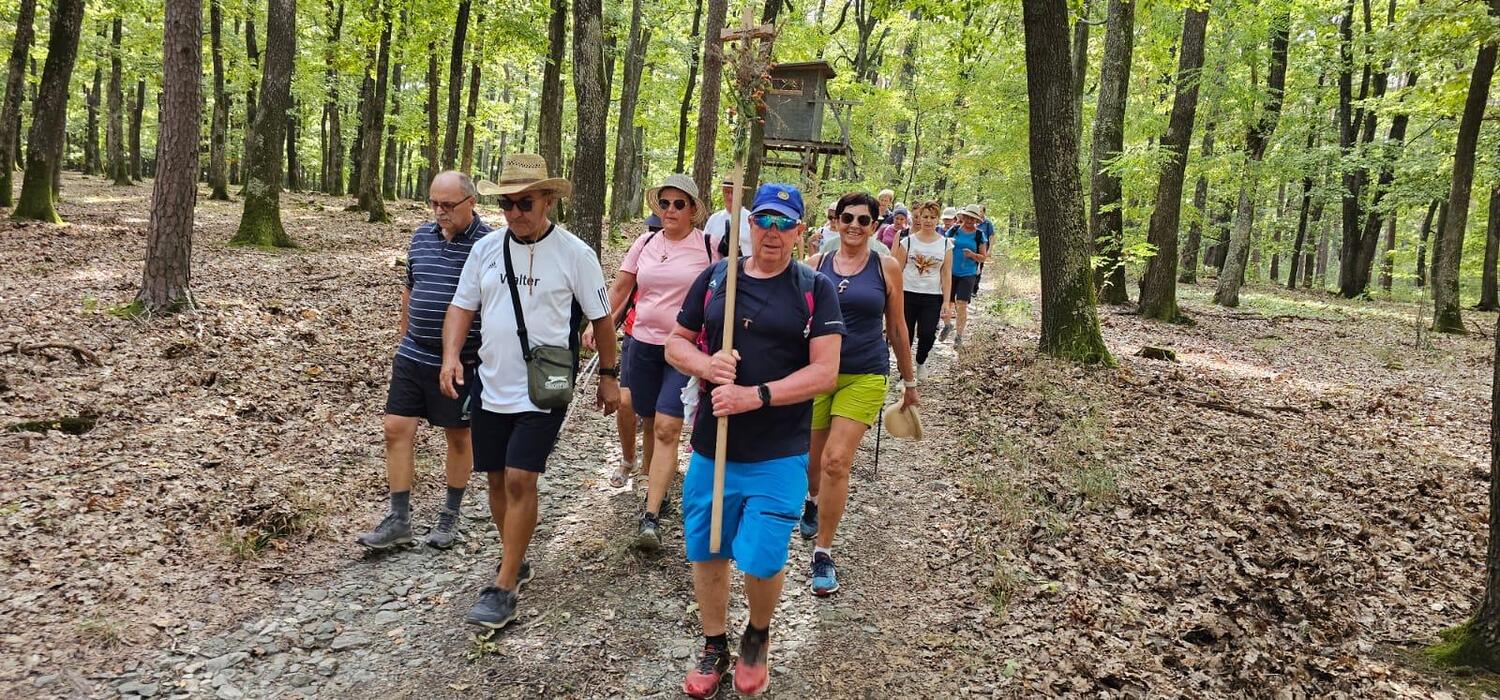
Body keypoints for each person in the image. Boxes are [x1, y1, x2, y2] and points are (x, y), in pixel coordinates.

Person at [666, 183, 844, 698]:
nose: (772, 231)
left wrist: (757, 395)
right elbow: (676, 343)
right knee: (709, 550)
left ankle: (757, 635)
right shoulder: (717, 277)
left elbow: (825, 372)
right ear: (748, 224)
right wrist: (706, 365)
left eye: (784, 223)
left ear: (799, 231)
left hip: (779, 451)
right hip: (713, 446)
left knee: (764, 558)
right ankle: (714, 644)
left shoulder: (814, 288)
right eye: (764, 220)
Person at [440, 153, 620, 630]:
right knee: (497, 479)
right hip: (491, 383)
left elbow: (602, 319)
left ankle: (504, 586)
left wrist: (609, 375)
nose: (515, 213)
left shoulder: (575, 254)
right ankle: (514, 558)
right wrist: (451, 355)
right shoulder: (486, 250)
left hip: (544, 386)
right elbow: (461, 307)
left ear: (548, 201)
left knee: (522, 478)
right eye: (507, 204)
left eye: (525, 203)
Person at [357, 171, 491, 551]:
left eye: (447, 205)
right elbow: (410, 290)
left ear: (471, 202)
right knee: (395, 428)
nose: (439, 211)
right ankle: (399, 518)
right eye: (434, 203)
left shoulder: (488, 245)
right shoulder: (421, 237)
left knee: (458, 436)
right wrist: (403, 339)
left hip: (464, 360)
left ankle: (450, 513)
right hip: (414, 353)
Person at [587, 173, 716, 551]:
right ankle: (651, 478)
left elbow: (729, 287)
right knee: (640, 412)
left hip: (683, 349)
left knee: (666, 428)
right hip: (640, 343)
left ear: (693, 210)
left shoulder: (709, 247)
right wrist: (599, 324)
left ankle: (651, 514)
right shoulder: (644, 242)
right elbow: (621, 288)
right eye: (664, 203)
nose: (670, 210)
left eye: (679, 204)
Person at [801, 192, 919, 597]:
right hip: (817, 374)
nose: (854, 225)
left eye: (863, 219)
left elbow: (897, 327)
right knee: (813, 462)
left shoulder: (886, 267)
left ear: (874, 225)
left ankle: (823, 553)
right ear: (836, 221)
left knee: (836, 461)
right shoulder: (814, 265)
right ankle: (812, 500)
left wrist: (909, 382)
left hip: (865, 373)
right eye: (847, 217)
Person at [891, 200, 953, 381]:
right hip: (907, 294)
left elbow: (946, 273)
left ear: (937, 219)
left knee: (927, 333)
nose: (928, 221)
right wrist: (892, 296)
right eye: (925, 216)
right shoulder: (907, 242)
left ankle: (920, 360)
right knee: (905, 336)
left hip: (932, 296)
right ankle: (904, 375)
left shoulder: (946, 244)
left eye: (932, 217)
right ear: (919, 218)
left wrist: (946, 301)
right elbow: (897, 270)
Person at [939, 204, 989, 349]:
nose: (969, 221)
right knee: (947, 302)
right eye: (967, 217)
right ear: (963, 217)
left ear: (976, 220)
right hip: (950, 271)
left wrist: (972, 255)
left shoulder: (979, 235)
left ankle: (959, 336)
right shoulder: (954, 230)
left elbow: (983, 257)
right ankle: (947, 325)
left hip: (968, 273)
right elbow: (942, 245)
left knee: (961, 304)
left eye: (972, 219)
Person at [706, 178, 753, 257]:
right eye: (727, 192)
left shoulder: (751, 220)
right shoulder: (713, 219)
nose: (730, 196)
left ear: (742, 193)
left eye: (734, 192)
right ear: (723, 192)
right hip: (718, 264)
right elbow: (704, 246)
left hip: (744, 263)